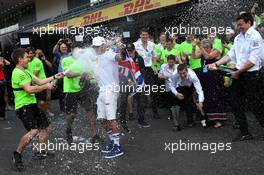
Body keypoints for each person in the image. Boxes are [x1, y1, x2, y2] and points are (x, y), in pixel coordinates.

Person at [208, 13, 264, 141]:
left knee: (254, 104)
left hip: (251, 75)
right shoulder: (238, 38)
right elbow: (230, 55)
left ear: (249, 23)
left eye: (241, 24)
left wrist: (237, 73)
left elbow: (253, 60)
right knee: (235, 102)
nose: (238, 27)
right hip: (238, 73)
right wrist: (215, 63)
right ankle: (244, 132)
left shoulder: (255, 36)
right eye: (237, 25)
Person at [11, 48, 63, 171]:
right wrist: (46, 86)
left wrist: (55, 76)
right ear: (20, 59)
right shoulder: (17, 73)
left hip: (32, 105)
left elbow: (39, 81)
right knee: (33, 131)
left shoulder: (25, 71)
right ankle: (17, 154)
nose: (28, 59)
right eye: (26, 57)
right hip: (23, 106)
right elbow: (29, 89)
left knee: (47, 127)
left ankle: (40, 151)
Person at [92, 36, 124, 158]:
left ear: (103, 45)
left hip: (111, 90)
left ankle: (117, 146)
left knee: (111, 119)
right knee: (101, 119)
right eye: (94, 46)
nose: (96, 48)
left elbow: (119, 58)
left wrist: (120, 49)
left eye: (98, 46)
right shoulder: (97, 56)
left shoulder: (110, 53)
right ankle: (112, 141)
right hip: (102, 91)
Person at [194, 39, 226, 128]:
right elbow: (194, 56)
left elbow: (208, 57)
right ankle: (208, 118)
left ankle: (218, 120)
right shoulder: (202, 51)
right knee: (206, 97)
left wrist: (200, 46)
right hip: (205, 78)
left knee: (215, 98)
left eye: (206, 46)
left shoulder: (216, 51)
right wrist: (193, 47)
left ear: (210, 46)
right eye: (204, 46)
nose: (205, 48)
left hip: (214, 78)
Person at [119, 43, 151, 132]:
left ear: (134, 50)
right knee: (123, 102)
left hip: (137, 82)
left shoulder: (139, 58)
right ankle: (123, 122)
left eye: (131, 50)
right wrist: (126, 80)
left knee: (141, 101)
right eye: (128, 51)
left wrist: (143, 82)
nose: (130, 52)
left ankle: (141, 120)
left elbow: (143, 70)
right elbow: (120, 71)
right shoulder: (123, 58)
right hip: (125, 83)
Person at [169, 64, 207, 128]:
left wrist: (201, 101)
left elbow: (199, 90)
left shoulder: (192, 76)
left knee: (195, 101)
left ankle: (200, 118)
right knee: (177, 99)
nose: (182, 75)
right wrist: (177, 94)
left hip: (191, 86)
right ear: (178, 72)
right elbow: (171, 86)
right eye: (180, 73)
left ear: (187, 71)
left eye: (184, 73)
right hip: (182, 86)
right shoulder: (174, 75)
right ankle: (180, 122)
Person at [134, 28, 160, 119]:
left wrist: (155, 67)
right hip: (140, 69)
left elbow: (154, 56)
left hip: (150, 69)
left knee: (154, 90)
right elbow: (131, 56)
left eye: (146, 35)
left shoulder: (152, 44)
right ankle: (141, 114)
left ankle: (155, 112)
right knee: (142, 92)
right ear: (140, 35)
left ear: (148, 36)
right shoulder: (135, 45)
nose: (145, 36)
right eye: (143, 35)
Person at [158, 55, 181, 131]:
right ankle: (174, 117)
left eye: (172, 62)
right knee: (171, 104)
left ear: (175, 61)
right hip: (168, 88)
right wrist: (164, 77)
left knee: (176, 104)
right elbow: (159, 76)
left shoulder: (178, 67)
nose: (170, 63)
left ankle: (176, 122)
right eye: (169, 62)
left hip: (178, 87)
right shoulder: (163, 66)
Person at [52, 41, 71, 116]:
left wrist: (70, 43)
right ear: (60, 48)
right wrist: (57, 43)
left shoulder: (70, 54)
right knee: (61, 94)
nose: (63, 48)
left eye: (65, 47)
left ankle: (69, 110)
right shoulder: (59, 55)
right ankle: (63, 111)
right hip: (61, 77)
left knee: (69, 94)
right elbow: (54, 51)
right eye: (62, 47)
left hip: (69, 76)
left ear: (67, 48)